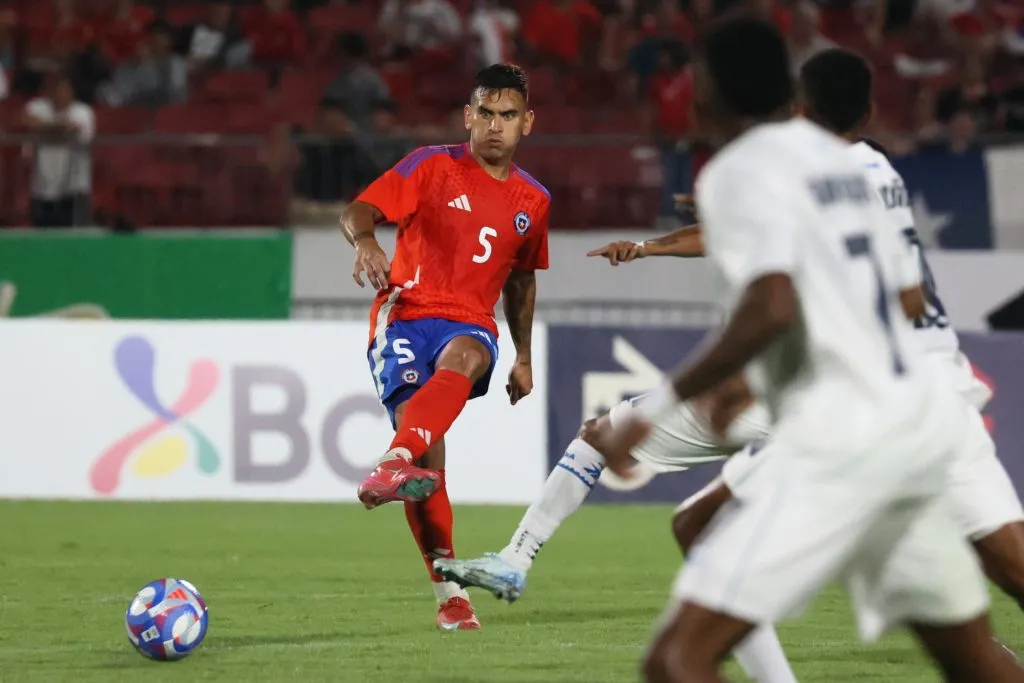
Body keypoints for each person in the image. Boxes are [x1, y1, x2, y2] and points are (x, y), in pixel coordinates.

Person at [438, 36, 1019, 682]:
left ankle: (520, 556)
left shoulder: (751, 171)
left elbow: (769, 304)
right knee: (970, 637)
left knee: (680, 634)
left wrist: (697, 391)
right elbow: (906, 296)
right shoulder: (875, 171)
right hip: (931, 400)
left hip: (846, 418)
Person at [339, 63, 549, 632]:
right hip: (405, 314)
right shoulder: (432, 165)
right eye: (486, 113)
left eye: (508, 115)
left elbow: (521, 281)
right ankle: (449, 595)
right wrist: (365, 242)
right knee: (428, 465)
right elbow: (359, 209)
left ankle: (390, 461)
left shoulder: (534, 200)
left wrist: (524, 357)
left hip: (469, 322)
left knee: (469, 354)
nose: (496, 126)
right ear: (468, 116)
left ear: (526, 122)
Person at [23, 72, 95, 228]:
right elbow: (27, 121)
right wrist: (59, 130)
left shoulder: (83, 111)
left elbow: (73, 129)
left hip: (74, 188)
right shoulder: (38, 107)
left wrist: (45, 130)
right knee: (42, 237)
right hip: (43, 186)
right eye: (57, 89)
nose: (61, 94)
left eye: (65, 90)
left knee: (73, 240)